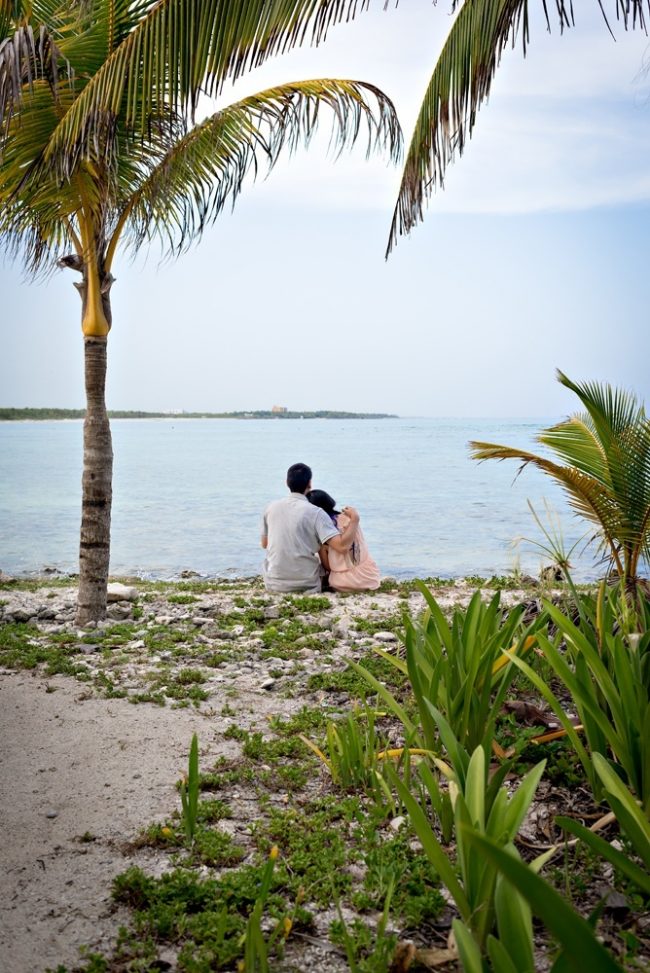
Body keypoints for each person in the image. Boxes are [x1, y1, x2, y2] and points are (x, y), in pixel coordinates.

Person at [261, 463, 360, 593]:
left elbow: (265, 544)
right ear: (309, 484)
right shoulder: (316, 512)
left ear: (287, 482)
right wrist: (354, 520)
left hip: (274, 583)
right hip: (307, 584)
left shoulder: (271, 508)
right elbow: (341, 546)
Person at [307, 488, 380, 592]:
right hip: (369, 578)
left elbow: (328, 566)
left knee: (318, 555)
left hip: (341, 583)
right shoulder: (350, 519)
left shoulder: (323, 529)